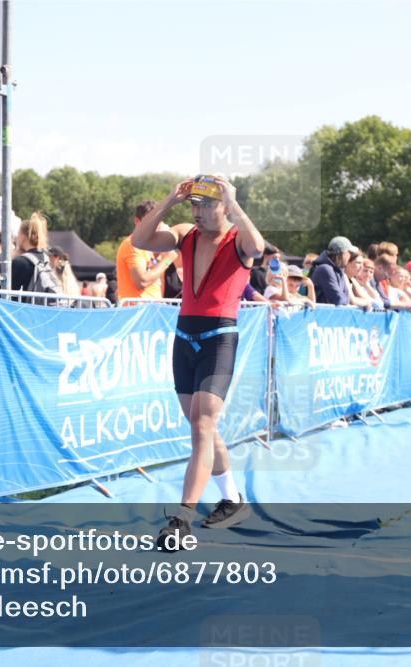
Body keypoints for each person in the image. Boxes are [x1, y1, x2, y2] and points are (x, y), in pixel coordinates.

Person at [131, 175, 265, 551]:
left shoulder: (237, 238)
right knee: (201, 425)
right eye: (195, 204)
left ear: (224, 206)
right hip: (184, 337)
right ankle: (233, 500)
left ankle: (181, 518)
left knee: (203, 424)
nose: (199, 212)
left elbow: (256, 245)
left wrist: (236, 204)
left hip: (218, 338)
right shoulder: (184, 234)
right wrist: (169, 201)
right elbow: (139, 241)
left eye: (207, 204)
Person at [116, 200, 177, 303]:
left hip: (150, 310)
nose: (155, 225)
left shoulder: (149, 246)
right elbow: (142, 282)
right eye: (151, 221)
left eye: (158, 220)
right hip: (137, 312)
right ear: (137, 221)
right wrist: (167, 260)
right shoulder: (132, 245)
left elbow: (152, 274)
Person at [10, 212, 50, 300]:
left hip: (23, 311)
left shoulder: (20, 262)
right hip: (42, 308)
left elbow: (8, 292)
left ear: (23, 237)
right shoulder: (45, 258)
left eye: (18, 233)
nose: (17, 237)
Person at [310, 236, 354, 305]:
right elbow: (338, 300)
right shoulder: (324, 269)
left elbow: (347, 298)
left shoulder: (339, 270)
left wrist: (346, 298)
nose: (350, 256)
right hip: (319, 315)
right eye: (349, 253)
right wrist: (346, 298)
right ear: (342, 253)